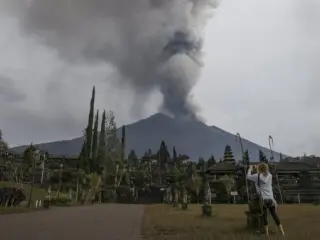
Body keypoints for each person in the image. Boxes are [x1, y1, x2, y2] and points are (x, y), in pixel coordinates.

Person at [246, 163, 285, 236]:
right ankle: (282, 231)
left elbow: (248, 176)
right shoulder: (269, 175)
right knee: (274, 214)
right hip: (271, 198)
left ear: (259, 169)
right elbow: (263, 173)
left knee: (264, 215)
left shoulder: (256, 176)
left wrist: (250, 168)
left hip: (263, 199)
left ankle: (266, 233)